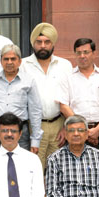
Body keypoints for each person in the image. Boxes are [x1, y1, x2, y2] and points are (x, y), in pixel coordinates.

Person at [57, 38, 99, 157]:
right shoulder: (67, 77)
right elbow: (63, 106)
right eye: (78, 52)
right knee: (75, 167)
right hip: (74, 130)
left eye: (86, 52)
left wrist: (98, 129)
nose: (82, 56)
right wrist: (82, 128)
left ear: (94, 54)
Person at [21, 22, 73, 169]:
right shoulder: (23, 65)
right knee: (34, 170)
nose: (43, 46)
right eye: (39, 42)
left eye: (47, 42)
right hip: (33, 127)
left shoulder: (65, 65)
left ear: (53, 43)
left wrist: (66, 126)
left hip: (59, 126)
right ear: (33, 44)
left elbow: (70, 98)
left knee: (59, 169)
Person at [0, 44, 43, 156]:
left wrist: (35, 140)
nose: (9, 62)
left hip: (20, 132)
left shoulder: (28, 81)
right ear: (1, 61)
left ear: (20, 61)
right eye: (6, 59)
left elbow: (35, 111)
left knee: (21, 168)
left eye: (13, 59)